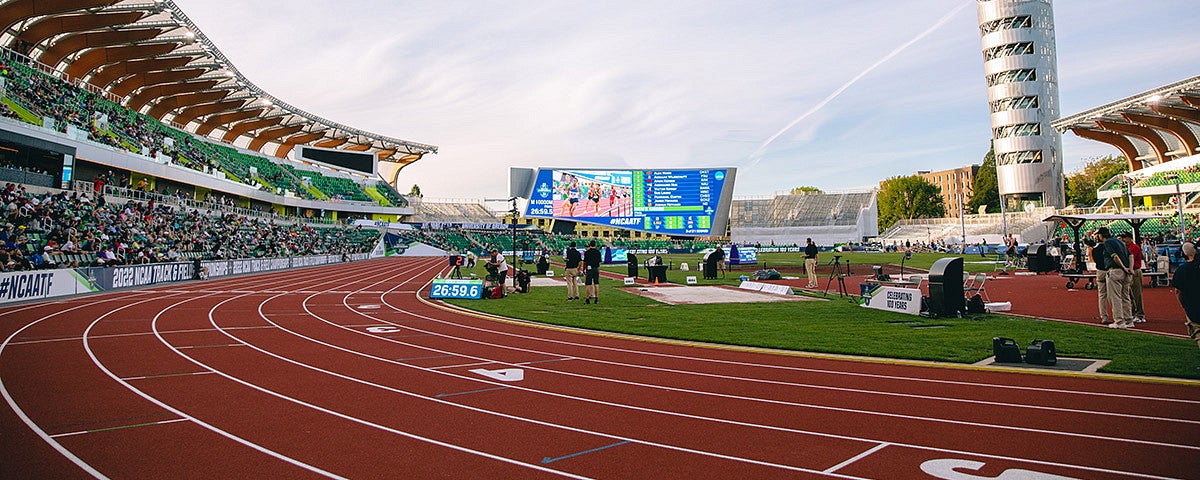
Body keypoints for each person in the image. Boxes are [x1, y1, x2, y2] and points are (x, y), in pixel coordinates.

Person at [1097, 227, 1134, 329]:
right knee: (1125, 296)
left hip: (1115, 270)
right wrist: (1130, 268)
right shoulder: (1120, 242)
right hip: (1126, 272)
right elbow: (1131, 255)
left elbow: (1115, 257)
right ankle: (1129, 320)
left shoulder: (1108, 243)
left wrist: (1123, 267)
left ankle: (1119, 321)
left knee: (1115, 297)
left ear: (1101, 235)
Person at [1171, 242, 1199, 349]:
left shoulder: (1182, 269)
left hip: (1192, 305)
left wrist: (1183, 305)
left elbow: (1178, 291)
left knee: (1198, 333)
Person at [1120, 232, 1145, 323]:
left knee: (1136, 294)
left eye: (1125, 238)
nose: (1123, 240)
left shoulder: (1134, 247)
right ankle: (1133, 312)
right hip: (1129, 272)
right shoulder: (1126, 247)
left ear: (1130, 238)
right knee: (1130, 294)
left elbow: (1130, 258)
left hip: (1135, 271)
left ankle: (1140, 314)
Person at [1086, 234, 1109, 325]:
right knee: (1113, 295)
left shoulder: (1095, 250)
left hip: (1099, 271)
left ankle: (1104, 316)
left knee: (1102, 295)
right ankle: (1117, 315)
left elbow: (1095, 260)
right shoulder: (1108, 248)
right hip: (1108, 270)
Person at [583, 239, 602, 304]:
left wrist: (584, 269)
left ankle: (587, 299)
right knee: (596, 284)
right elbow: (600, 262)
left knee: (588, 284)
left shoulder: (587, 252)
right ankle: (596, 299)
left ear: (590, 244)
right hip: (596, 268)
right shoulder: (598, 252)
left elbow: (584, 262)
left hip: (589, 268)